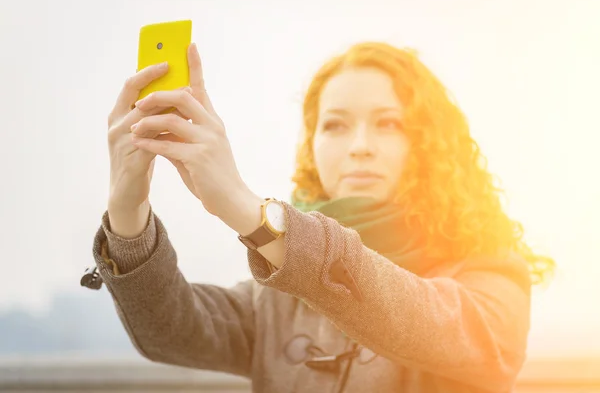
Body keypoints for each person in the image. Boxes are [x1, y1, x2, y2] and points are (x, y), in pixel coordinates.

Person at [84, 41, 554, 392]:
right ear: (313, 150)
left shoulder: (491, 274)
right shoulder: (278, 294)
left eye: (389, 123)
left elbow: (421, 316)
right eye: (335, 125)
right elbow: (171, 332)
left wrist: (248, 211)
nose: (360, 145)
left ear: (430, 147)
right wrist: (128, 208)